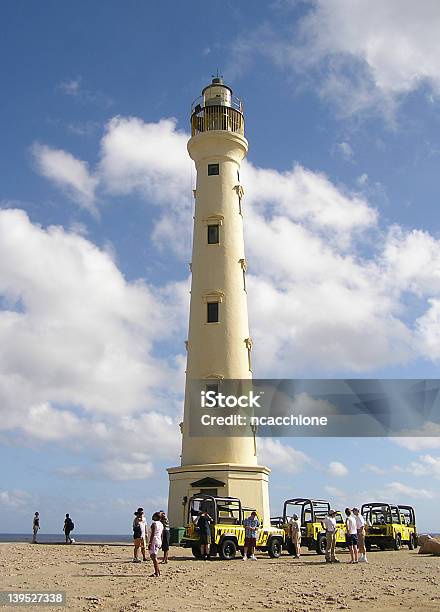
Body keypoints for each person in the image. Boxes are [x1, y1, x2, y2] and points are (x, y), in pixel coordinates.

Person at [148, 512, 164, 577]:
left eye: (154, 516)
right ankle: (158, 571)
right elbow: (162, 534)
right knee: (153, 556)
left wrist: (150, 543)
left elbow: (152, 534)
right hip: (159, 540)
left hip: (154, 541)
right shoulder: (161, 524)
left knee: (153, 557)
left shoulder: (154, 524)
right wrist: (161, 542)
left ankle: (156, 572)